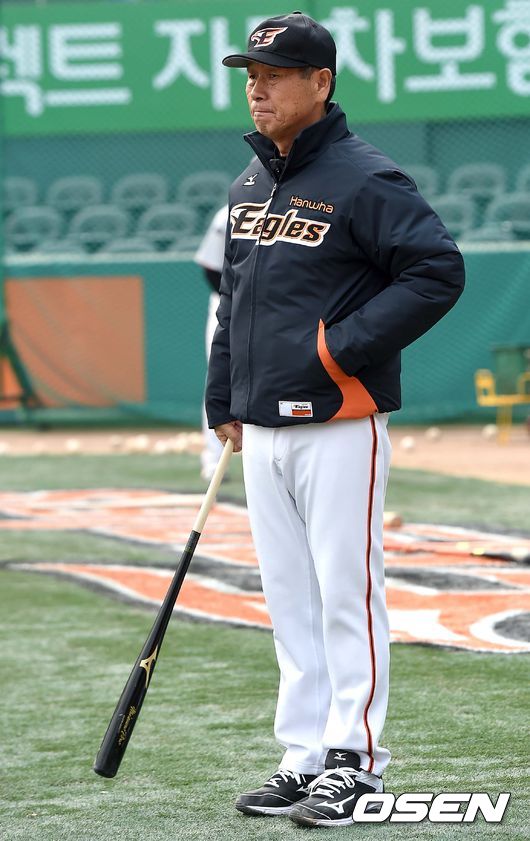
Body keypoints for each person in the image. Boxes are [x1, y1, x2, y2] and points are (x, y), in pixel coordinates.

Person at [206, 11, 465, 829]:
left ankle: (355, 758)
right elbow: (237, 297)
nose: (257, 90)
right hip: (262, 426)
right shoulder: (249, 183)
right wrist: (224, 394)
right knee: (288, 596)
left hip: (338, 420)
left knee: (345, 592)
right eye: (251, 76)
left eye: (274, 76)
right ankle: (304, 753)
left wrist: (337, 350)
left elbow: (436, 270)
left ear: (320, 83)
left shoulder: (367, 178)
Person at [194, 204, 228, 481]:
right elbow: (210, 267)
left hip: (273, 306)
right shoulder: (230, 210)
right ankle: (213, 460)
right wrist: (235, 299)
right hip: (226, 305)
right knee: (218, 377)